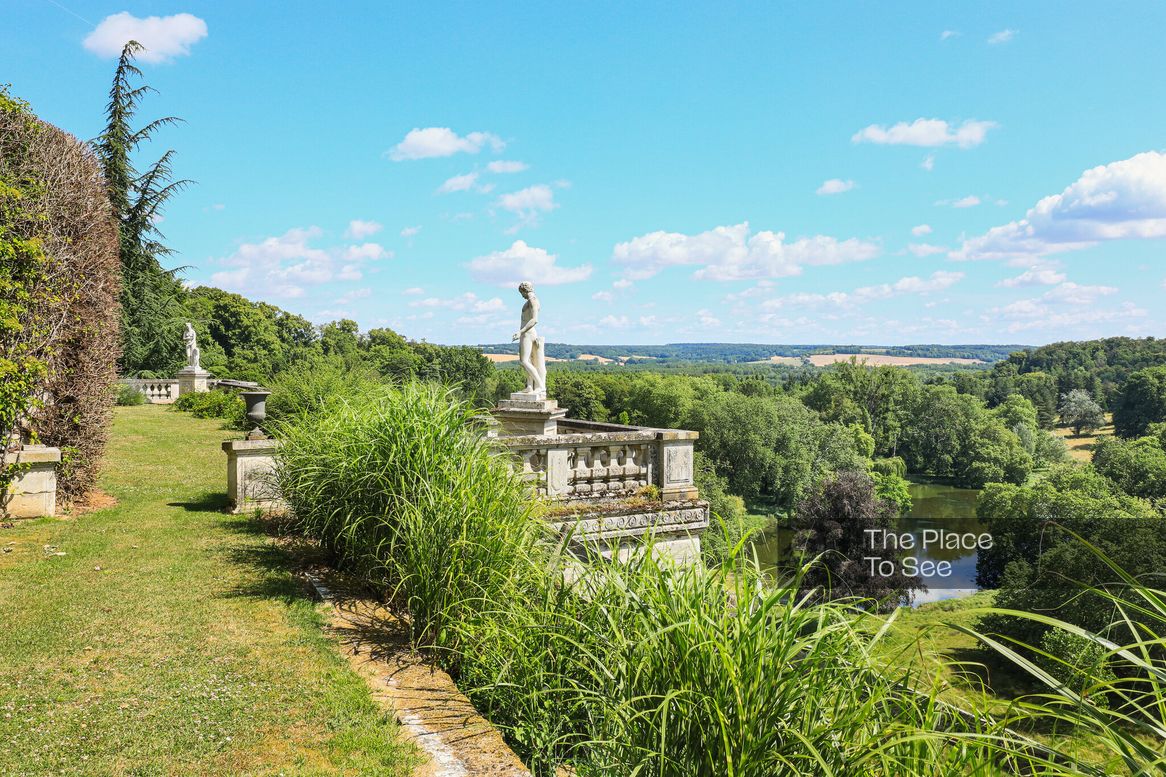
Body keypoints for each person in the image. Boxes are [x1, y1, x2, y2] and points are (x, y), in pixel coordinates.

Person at [511, 281, 546, 396]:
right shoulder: (531, 300)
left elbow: (534, 319)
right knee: (528, 360)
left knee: (524, 361)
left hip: (527, 333)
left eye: (521, 293)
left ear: (524, 290)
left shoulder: (532, 300)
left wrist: (520, 332)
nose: (522, 296)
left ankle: (540, 385)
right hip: (527, 333)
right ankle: (530, 386)